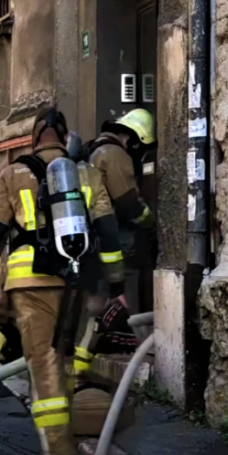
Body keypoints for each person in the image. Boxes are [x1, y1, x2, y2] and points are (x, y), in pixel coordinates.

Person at [0, 107, 126, 455]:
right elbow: (108, 231)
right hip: (78, 280)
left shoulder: (13, 173)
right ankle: (74, 429)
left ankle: (59, 451)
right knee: (68, 359)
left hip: (29, 283)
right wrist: (117, 286)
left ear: (34, 137)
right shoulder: (86, 172)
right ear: (65, 136)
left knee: (44, 366)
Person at [84, 108, 156, 315]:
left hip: (93, 238)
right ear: (133, 141)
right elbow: (127, 203)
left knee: (97, 306)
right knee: (124, 302)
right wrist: (150, 222)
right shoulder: (115, 154)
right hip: (115, 241)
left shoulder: (93, 150)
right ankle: (131, 340)